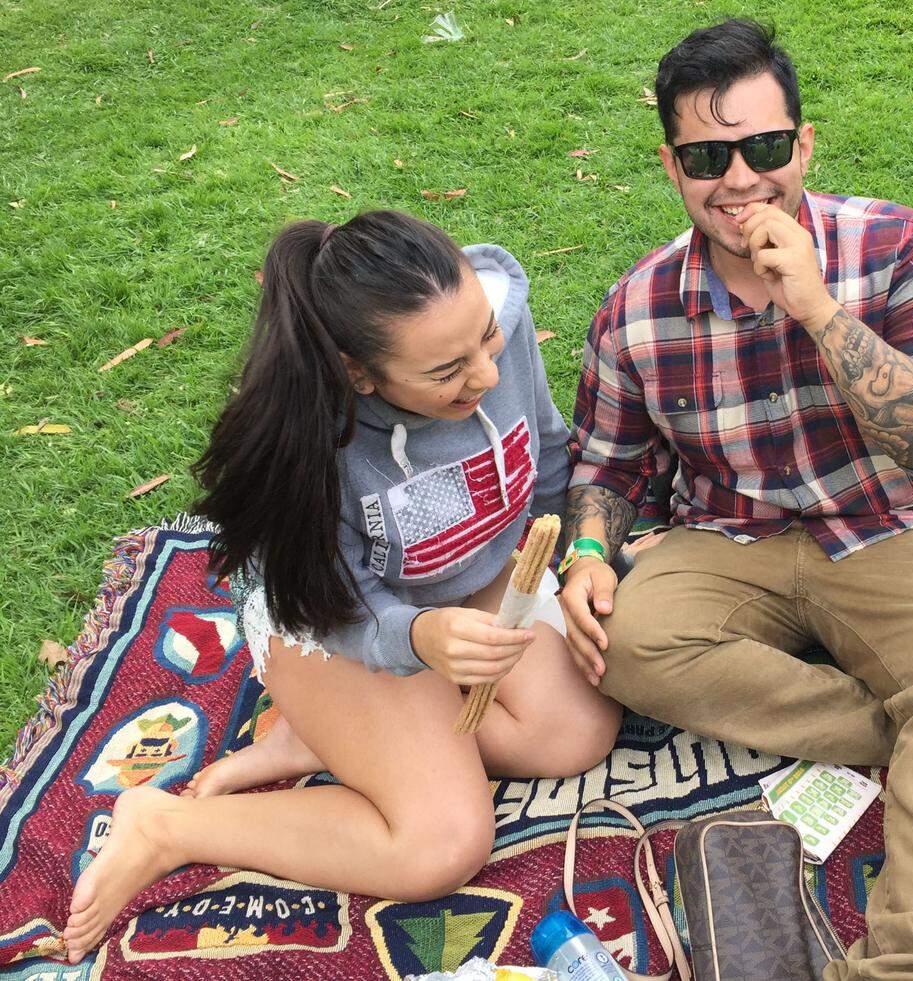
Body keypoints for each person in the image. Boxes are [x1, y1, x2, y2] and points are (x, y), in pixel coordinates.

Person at [557, 19, 913, 980]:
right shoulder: (637, 307)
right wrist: (588, 554)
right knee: (621, 643)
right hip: (729, 538)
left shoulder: (898, 244)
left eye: (761, 147)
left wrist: (820, 311)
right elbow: (610, 469)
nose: (740, 180)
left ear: (801, 145)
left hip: (886, 528)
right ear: (674, 167)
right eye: (708, 156)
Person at [63, 210, 622, 963]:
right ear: (361, 373)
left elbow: (546, 443)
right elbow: (339, 609)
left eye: (484, 340)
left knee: (576, 730)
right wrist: (421, 638)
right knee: (442, 841)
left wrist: (580, 552)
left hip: (465, 573)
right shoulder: (312, 445)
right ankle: (166, 824)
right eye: (448, 373)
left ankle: (331, 736)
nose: (486, 375)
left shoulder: (487, 321)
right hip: (332, 621)